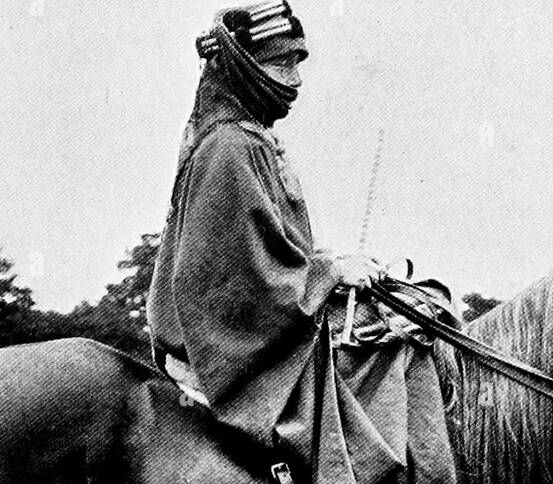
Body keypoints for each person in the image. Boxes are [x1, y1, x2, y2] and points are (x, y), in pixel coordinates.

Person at [147, 2, 383, 440]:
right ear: (244, 68)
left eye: (297, 62)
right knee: (383, 368)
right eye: (280, 63)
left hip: (248, 337)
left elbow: (269, 250)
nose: (294, 79)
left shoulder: (247, 137)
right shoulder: (230, 146)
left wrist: (330, 264)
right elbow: (240, 283)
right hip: (221, 355)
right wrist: (330, 272)